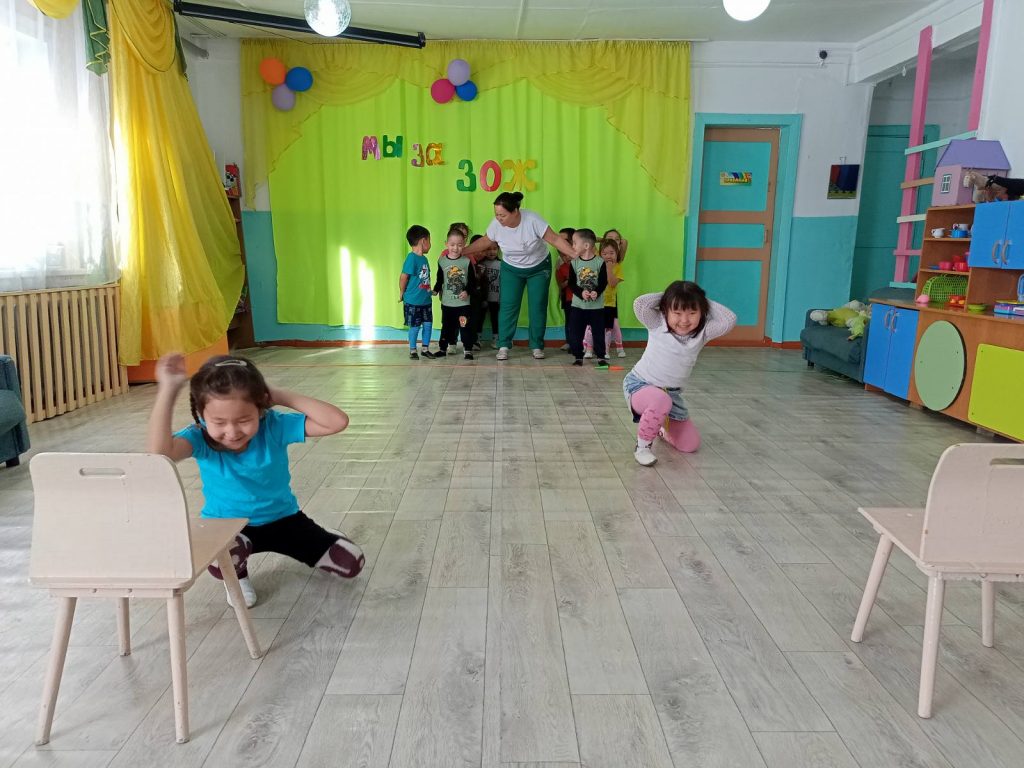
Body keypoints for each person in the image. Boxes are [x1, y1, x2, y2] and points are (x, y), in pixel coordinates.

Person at [147, 354, 366, 607]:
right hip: (228, 526)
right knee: (222, 553)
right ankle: (236, 575)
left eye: (244, 420)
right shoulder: (199, 437)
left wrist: (278, 395)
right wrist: (168, 390)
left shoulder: (273, 426)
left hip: (285, 520)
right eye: (219, 422)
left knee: (352, 563)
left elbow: (337, 422)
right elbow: (160, 454)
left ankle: (323, 537)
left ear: (261, 410)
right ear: (201, 415)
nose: (232, 432)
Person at [625, 281, 737, 467]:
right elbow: (640, 304)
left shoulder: (703, 332)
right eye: (677, 313)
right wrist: (672, 297)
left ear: (702, 312)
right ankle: (642, 447)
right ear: (666, 310)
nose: (684, 320)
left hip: (672, 395)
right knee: (660, 400)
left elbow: (729, 320)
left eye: (692, 313)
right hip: (640, 385)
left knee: (690, 445)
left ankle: (660, 427)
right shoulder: (657, 323)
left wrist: (698, 299)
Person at [461, 192, 576, 361]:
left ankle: (537, 346)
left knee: (537, 306)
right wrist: (463, 251)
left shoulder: (532, 220)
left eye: (502, 215)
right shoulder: (496, 225)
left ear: (515, 211)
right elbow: (485, 241)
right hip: (511, 269)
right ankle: (503, 345)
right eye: (496, 214)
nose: (499, 218)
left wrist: (575, 254)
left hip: (538, 268)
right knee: (508, 306)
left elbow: (555, 239)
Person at [566, 228, 609, 369]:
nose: (572, 246)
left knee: (598, 334)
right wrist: (581, 293)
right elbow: (572, 283)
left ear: (586, 245)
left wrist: (596, 292)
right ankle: (578, 356)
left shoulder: (600, 262)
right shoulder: (574, 263)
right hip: (578, 306)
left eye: (574, 243)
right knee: (575, 333)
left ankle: (601, 357)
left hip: (596, 307)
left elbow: (603, 282)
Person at [433, 227, 478, 360]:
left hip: (463, 304)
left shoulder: (466, 261)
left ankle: (468, 350)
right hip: (447, 303)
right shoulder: (442, 261)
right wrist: (435, 289)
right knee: (446, 327)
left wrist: (467, 291)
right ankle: (442, 348)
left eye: (459, 245)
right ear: (446, 244)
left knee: (464, 326)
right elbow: (440, 279)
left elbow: (473, 281)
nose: (455, 248)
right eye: (452, 245)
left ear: (464, 245)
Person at [399, 225, 437, 360]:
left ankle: (425, 349)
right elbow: (404, 277)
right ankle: (413, 350)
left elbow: (423, 279)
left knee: (428, 325)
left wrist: (430, 291)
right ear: (423, 241)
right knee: (414, 327)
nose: (430, 244)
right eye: (429, 241)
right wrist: (401, 292)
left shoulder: (424, 259)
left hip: (426, 301)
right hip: (413, 301)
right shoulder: (411, 258)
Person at [584, 237, 626, 358]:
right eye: (605, 253)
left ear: (617, 254)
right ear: (599, 254)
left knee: (607, 329)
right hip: (595, 303)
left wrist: (609, 269)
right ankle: (589, 350)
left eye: (612, 253)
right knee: (591, 327)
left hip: (609, 304)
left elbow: (612, 283)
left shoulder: (618, 267)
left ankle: (605, 351)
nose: (608, 256)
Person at [471, 234, 501, 348]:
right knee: (479, 318)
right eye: (488, 249)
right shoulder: (480, 264)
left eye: (494, 249)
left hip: (496, 298)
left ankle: (496, 339)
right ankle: (477, 339)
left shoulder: (501, 264)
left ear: (498, 250)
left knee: (495, 318)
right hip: (482, 298)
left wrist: (502, 297)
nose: (491, 252)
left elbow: (504, 283)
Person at [554, 227, 576, 352]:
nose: (560, 242)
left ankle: (585, 343)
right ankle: (569, 342)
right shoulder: (560, 263)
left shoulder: (584, 256)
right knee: (570, 320)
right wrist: (567, 282)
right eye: (559, 239)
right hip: (568, 297)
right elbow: (560, 283)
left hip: (584, 297)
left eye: (565, 240)